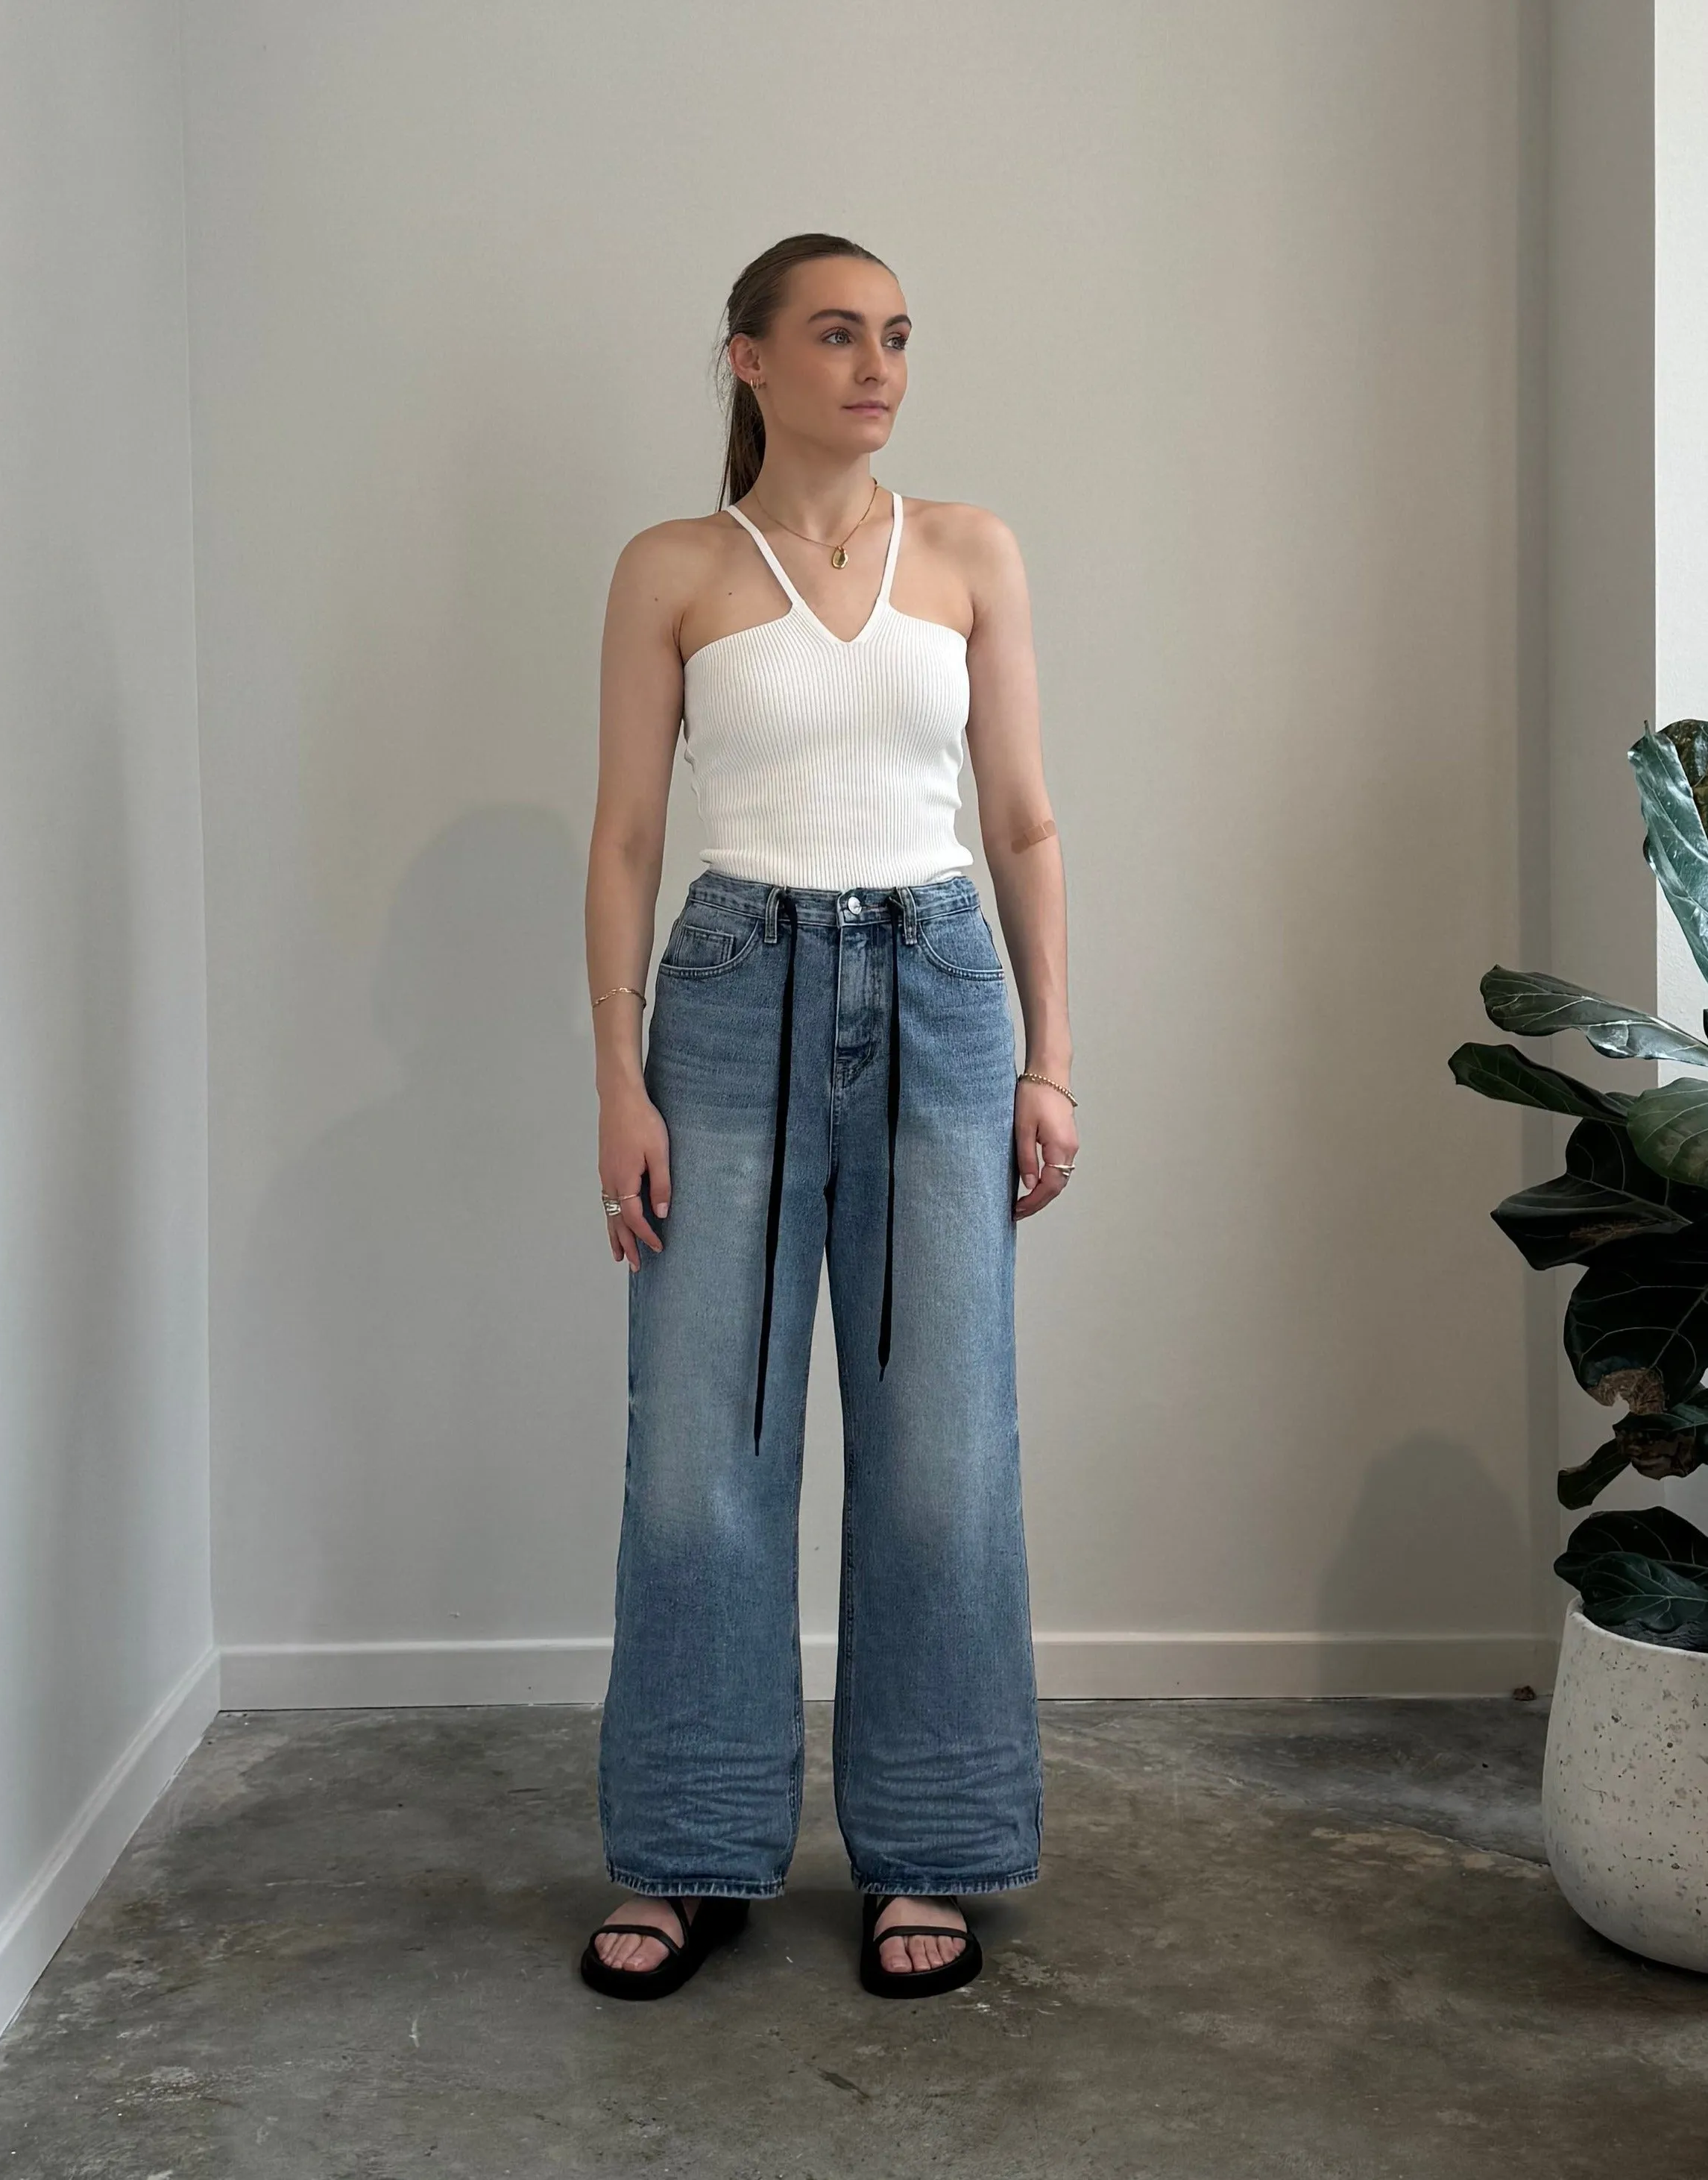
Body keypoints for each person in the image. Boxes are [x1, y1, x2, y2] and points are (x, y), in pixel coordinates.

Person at [579, 232, 1077, 2001]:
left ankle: (927, 1850)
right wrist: (619, 1079)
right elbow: (628, 842)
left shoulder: (968, 553)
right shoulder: (673, 568)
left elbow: (1017, 821)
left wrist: (1048, 1057)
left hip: (939, 994)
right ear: (747, 361)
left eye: (896, 339)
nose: (876, 366)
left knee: (942, 1445)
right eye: (838, 336)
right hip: (725, 1003)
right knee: (702, 1447)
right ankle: (687, 1851)